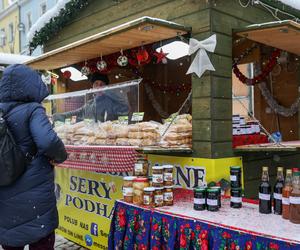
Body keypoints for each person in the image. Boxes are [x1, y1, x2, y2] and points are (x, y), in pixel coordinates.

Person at [0, 64, 68, 249]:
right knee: (41, 239)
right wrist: (61, 156)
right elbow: (48, 142)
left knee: (11, 237)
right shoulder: (32, 109)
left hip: (5, 188)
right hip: (35, 191)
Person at [53, 72, 129, 122]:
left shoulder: (111, 102)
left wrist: (107, 91)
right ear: (92, 86)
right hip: (90, 139)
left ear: (106, 87)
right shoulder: (89, 103)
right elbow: (75, 113)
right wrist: (55, 117)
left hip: (107, 140)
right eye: (96, 84)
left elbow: (125, 108)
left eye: (102, 84)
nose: (99, 87)